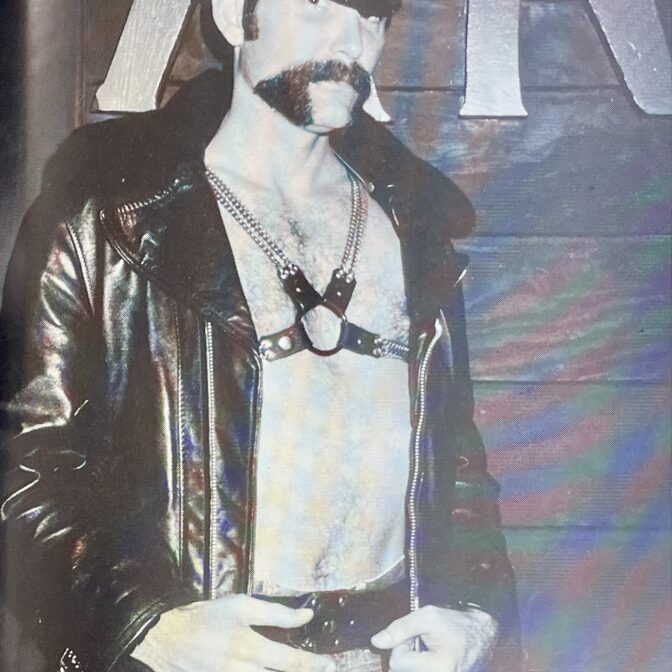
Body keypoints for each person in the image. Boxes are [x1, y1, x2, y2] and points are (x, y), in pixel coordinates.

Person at [0, 1, 521, 670]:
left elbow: (457, 460)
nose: (350, 42)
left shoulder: (415, 225)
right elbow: (23, 465)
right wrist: (148, 624)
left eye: (371, 15)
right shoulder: (107, 215)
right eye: (317, 5)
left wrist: (477, 615)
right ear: (230, 15)